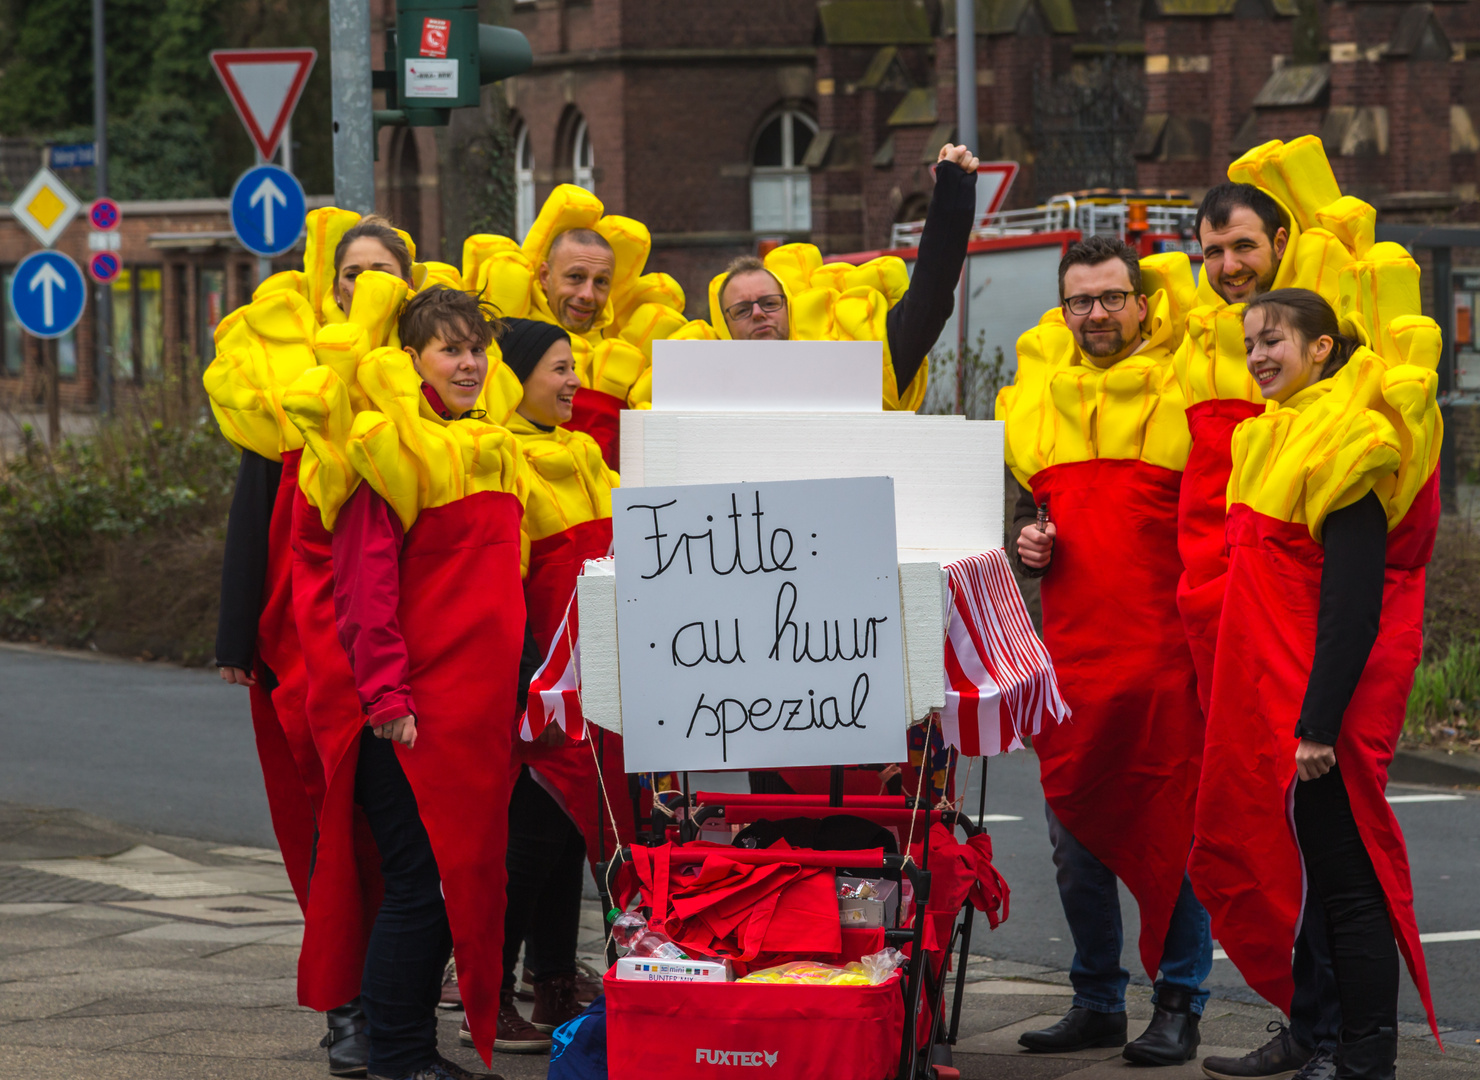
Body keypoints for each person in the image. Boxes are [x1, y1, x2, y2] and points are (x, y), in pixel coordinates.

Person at [1195, 287, 1442, 1080]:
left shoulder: (1346, 438)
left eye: (1275, 341)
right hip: (1278, 699)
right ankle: (1319, 1041)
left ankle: (1365, 1057)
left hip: (1313, 706)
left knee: (1348, 886)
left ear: (1323, 349)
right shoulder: (1269, 436)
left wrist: (1319, 726)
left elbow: (1352, 601)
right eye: (1250, 344)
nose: (1260, 355)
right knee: (1315, 882)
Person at [287, 285, 530, 1080]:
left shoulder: (485, 443)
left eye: (475, 349)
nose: (467, 362)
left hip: (468, 716)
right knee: (422, 884)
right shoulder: (382, 449)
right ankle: (396, 1054)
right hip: (411, 715)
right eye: (449, 348)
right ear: (412, 359)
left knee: (450, 881)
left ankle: (412, 1049)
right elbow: (364, 589)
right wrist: (388, 699)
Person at [206, 212, 424, 1078]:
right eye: (350, 272)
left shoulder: (430, 378)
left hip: (409, 654)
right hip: (304, 648)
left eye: (380, 271)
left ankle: (393, 1000)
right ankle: (349, 1008)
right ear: (328, 285)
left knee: (406, 843)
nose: (362, 286)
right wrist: (236, 632)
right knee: (330, 831)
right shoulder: (296, 386)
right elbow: (253, 507)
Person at [997, 236, 1214, 1065]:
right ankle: (1096, 1000)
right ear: (1064, 311)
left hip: (1165, 658)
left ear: (1142, 303)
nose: (1095, 314)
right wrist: (1027, 542)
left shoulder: (1184, 393)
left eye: (1110, 298)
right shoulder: (1039, 406)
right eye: (1079, 301)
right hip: (1075, 661)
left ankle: (1181, 1004)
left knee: (1170, 833)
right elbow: (1028, 518)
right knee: (1074, 838)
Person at [1177, 138, 1367, 1080]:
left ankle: (1336, 1038)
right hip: (1222, 619)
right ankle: (1306, 1023)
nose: (1225, 267)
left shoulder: (1321, 348)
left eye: (1242, 246)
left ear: (1282, 241)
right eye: (1210, 251)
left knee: (1314, 836)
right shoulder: (1203, 344)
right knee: (1254, 826)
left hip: (1294, 623)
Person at [454, 318, 632, 1055]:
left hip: (597, 685)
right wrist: (536, 686)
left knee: (564, 842)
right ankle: (484, 998)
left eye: (576, 368)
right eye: (559, 369)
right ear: (518, 375)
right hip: (544, 690)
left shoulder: (583, 452)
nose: (572, 383)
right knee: (527, 848)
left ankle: (555, 979)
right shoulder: (504, 460)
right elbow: (504, 586)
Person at [674, 141, 978, 414]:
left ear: (788, 307)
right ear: (724, 327)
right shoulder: (699, 392)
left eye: (769, 303)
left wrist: (952, 192)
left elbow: (930, 295)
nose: (757, 314)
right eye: (741, 309)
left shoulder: (862, 361)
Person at [473, 185, 688, 467]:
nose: (587, 294)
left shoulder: (630, 353)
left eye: (600, 282)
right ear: (545, 275)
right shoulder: (504, 338)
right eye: (575, 277)